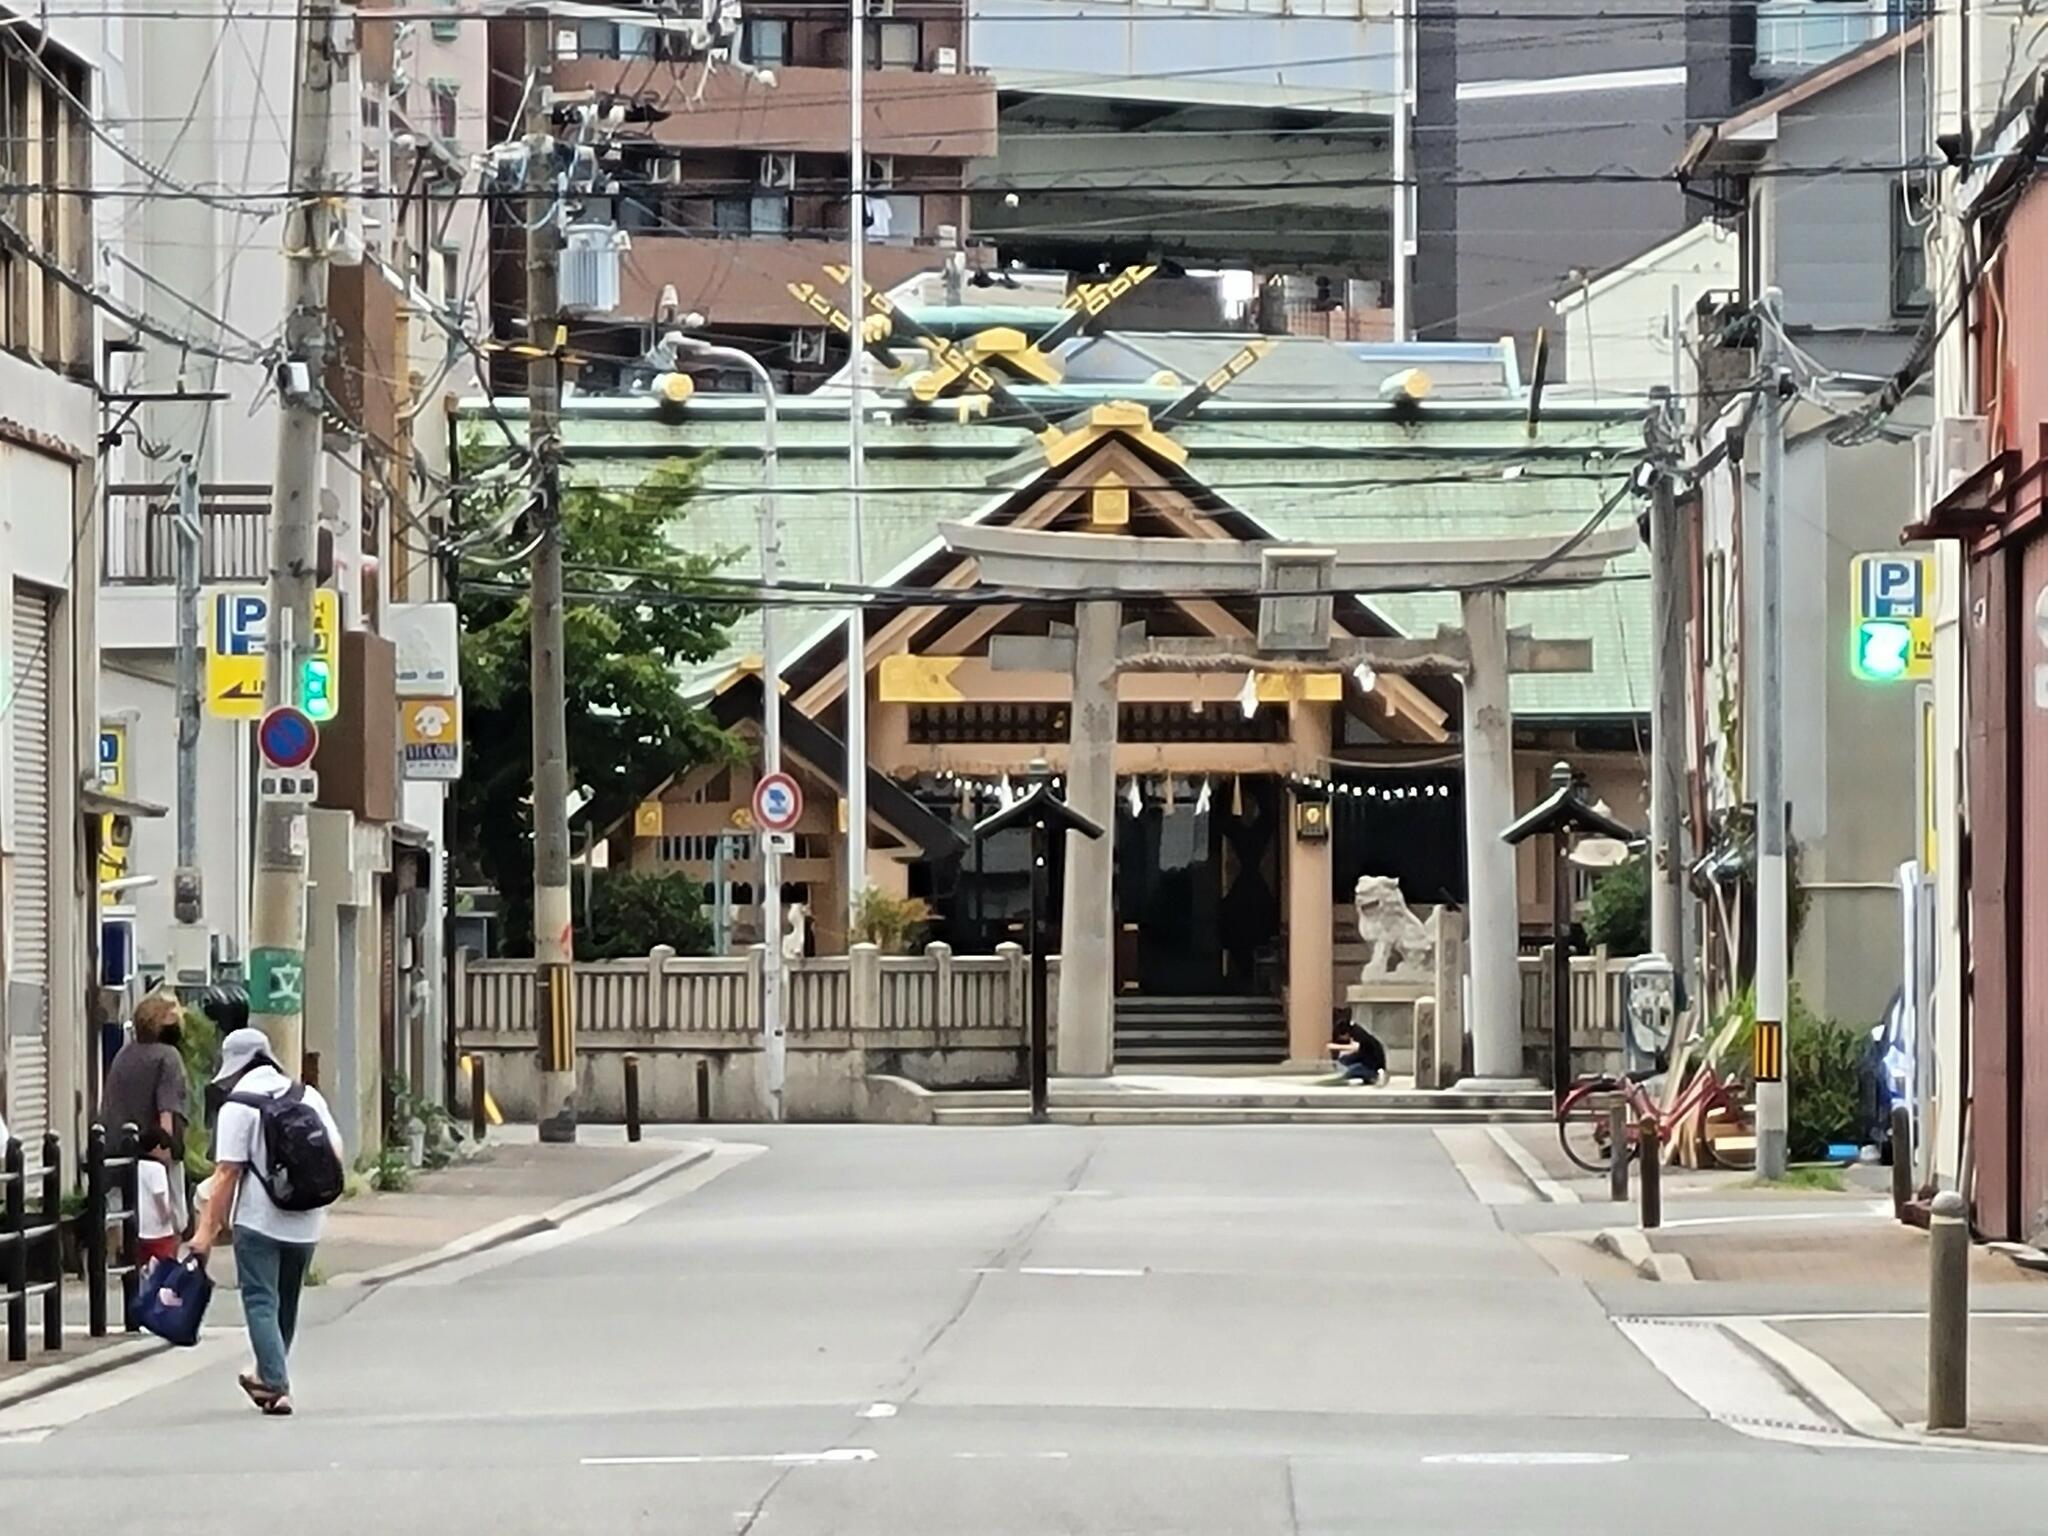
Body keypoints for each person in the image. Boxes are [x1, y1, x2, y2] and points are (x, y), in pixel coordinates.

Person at [192, 1028, 344, 1418]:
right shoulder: (308, 1096)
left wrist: (205, 1234)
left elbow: (227, 1174)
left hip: (259, 1221)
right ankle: (267, 1374)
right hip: (307, 1220)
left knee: (261, 1300)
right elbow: (336, 1154)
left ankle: (276, 1385)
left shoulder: (237, 1106)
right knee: (286, 1303)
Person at [134, 1125, 181, 1268]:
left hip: (141, 1229)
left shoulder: (136, 1166)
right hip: (159, 1232)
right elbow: (159, 1196)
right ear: (158, 1147)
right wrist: (169, 1218)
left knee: (144, 1271)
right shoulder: (157, 1169)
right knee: (164, 1272)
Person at [1328, 1013, 1389, 1087]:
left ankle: (1375, 1075)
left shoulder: (1359, 1035)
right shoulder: (1356, 1031)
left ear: (1345, 1033)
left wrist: (1335, 1047)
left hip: (1372, 1065)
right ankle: (1369, 1076)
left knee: (1351, 1071)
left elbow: (1355, 1047)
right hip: (1368, 1060)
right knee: (1344, 1059)